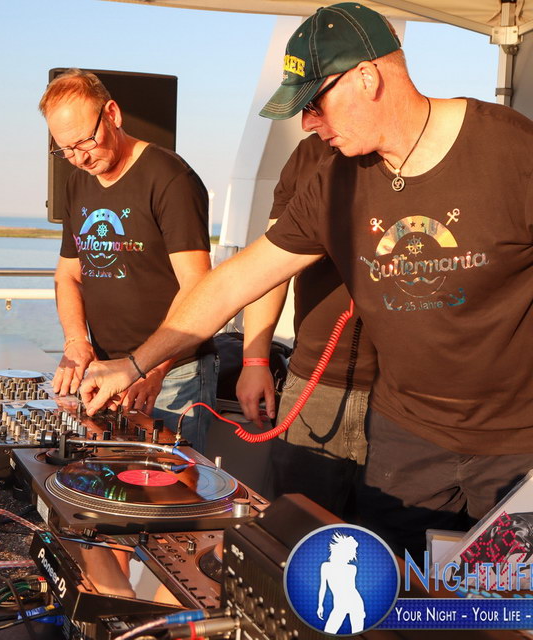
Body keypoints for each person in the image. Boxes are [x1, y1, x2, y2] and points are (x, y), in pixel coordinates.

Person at [78, 3, 533, 558]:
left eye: (314, 103)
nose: (308, 123)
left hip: (517, 442)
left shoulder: (513, 151)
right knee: (395, 591)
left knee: (508, 594)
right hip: (407, 437)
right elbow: (233, 283)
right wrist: (132, 365)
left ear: (367, 77)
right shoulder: (333, 180)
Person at [39, 68, 218, 453]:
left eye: (85, 141)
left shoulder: (170, 178)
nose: (79, 158)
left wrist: (153, 367)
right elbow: (68, 274)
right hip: (105, 371)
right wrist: (76, 342)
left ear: (113, 115)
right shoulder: (76, 181)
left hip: (172, 374)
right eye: (65, 149)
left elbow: (198, 288)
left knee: (175, 484)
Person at [236, 134, 377, 518]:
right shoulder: (307, 155)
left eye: (314, 106)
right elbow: (270, 266)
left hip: (399, 398)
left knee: (388, 539)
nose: (306, 121)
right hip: (313, 382)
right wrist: (254, 361)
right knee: (292, 526)